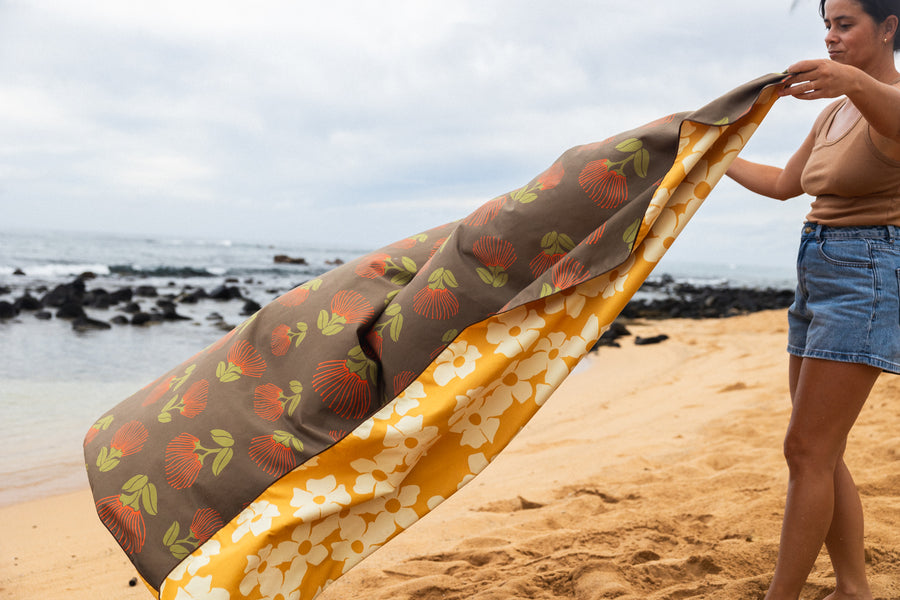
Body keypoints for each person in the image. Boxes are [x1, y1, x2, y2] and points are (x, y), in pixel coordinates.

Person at [726, 0, 900, 598]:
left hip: (867, 276)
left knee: (806, 448)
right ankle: (854, 587)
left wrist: (851, 77)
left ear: (888, 28)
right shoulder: (833, 115)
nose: (830, 37)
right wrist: (707, 151)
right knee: (820, 450)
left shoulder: (887, 104)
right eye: (825, 25)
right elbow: (782, 185)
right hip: (817, 270)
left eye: (844, 25)